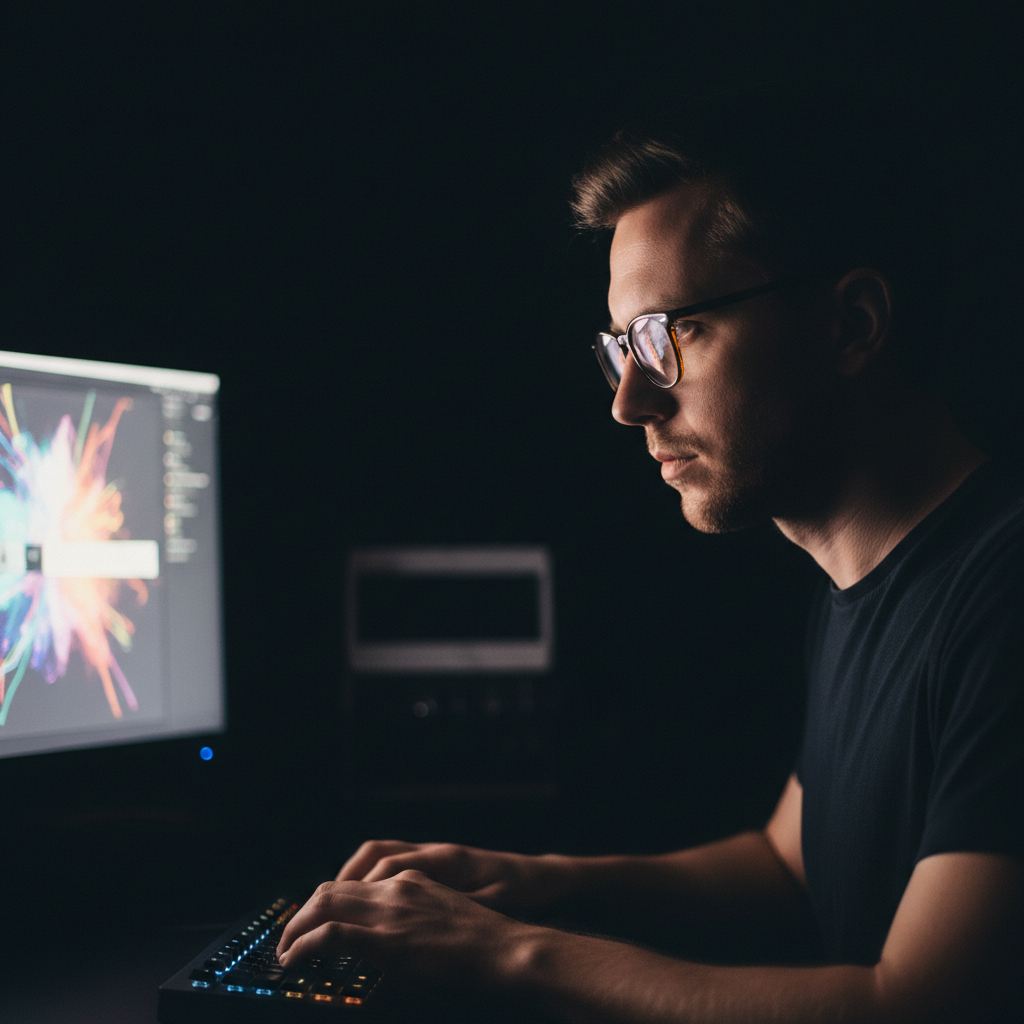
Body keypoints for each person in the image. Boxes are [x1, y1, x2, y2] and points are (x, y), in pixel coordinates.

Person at [277, 97, 1023, 1021]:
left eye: (671, 333)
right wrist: (527, 881)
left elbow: (919, 1003)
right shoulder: (861, 589)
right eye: (623, 346)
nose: (629, 401)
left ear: (852, 324)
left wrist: (504, 951)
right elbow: (787, 862)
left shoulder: (1004, 598)